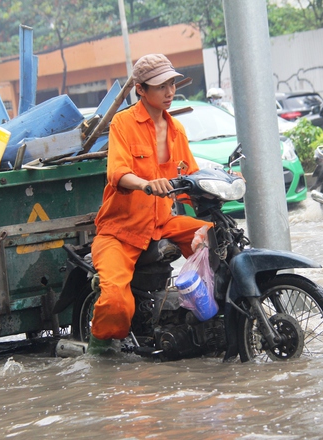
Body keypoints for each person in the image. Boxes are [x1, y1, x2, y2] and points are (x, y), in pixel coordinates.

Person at [87, 54, 212, 354]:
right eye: (160, 87)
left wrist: (220, 183)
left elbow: (190, 180)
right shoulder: (123, 123)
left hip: (162, 223)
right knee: (117, 302)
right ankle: (98, 351)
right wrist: (145, 184)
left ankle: (207, 321)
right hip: (120, 231)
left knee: (215, 234)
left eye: (171, 84)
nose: (169, 92)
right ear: (141, 90)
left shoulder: (176, 130)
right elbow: (116, 172)